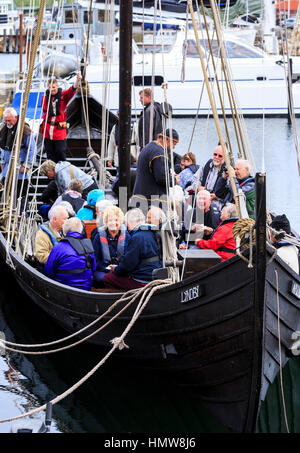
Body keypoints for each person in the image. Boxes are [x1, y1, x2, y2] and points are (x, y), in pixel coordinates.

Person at [103, 208, 162, 290]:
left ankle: (124, 300)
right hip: (156, 277)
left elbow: (127, 266)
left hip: (142, 281)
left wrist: (115, 269)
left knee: (108, 278)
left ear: (130, 222)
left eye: (126, 223)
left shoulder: (137, 237)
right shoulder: (154, 233)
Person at [44, 216, 96, 291]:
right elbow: (93, 268)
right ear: (81, 230)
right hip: (85, 288)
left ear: (64, 231)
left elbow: (49, 272)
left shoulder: (58, 248)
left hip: (62, 289)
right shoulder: (88, 245)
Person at [132, 128, 180, 208]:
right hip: (152, 201)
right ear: (168, 140)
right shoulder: (160, 153)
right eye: (174, 143)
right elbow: (161, 178)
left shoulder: (148, 147)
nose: (174, 147)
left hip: (139, 196)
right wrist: (174, 180)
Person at [40, 72, 82, 162]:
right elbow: (44, 110)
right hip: (47, 128)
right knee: (50, 154)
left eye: (54, 87)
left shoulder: (64, 95)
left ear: (57, 87)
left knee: (60, 152)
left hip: (60, 127)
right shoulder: (44, 97)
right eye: (50, 88)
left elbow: (72, 89)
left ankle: (62, 172)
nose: (52, 89)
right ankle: (51, 174)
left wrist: (78, 80)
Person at [0, 107, 37, 208]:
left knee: (21, 196)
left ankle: (21, 214)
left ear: (15, 118)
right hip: (6, 170)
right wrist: (2, 161)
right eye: (6, 120)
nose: (7, 123)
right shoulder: (4, 129)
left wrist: (27, 165)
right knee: (4, 194)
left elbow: (32, 149)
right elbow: (3, 147)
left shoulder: (24, 131)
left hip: (20, 171)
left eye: (9, 120)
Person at [92, 206, 129, 286]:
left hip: (121, 270)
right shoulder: (98, 237)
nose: (113, 223)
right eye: (110, 220)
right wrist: (107, 269)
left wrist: (118, 268)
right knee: (102, 279)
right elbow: (95, 259)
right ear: (106, 221)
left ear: (120, 221)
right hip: (103, 270)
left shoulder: (127, 236)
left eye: (116, 220)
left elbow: (129, 258)